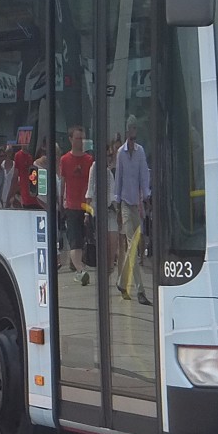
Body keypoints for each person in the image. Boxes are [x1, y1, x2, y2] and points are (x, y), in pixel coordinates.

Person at [113, 115, 152, 305]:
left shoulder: (140, 152)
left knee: (135, 244)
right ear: (127, 131)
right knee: (133, 245)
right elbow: (118, 179)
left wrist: (147, 196)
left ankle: (122, 281)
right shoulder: (121, 153)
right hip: (126, 204)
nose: (133, 133)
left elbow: (144, 175)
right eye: (131, 129)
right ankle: (141, 290)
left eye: (135, 129)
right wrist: (118, 205)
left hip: (138, 204)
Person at [59, 125, 94, 286]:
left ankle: (79, 266)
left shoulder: (89, 160)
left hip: (86, 205)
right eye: (77, 138)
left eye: (82, 138)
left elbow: (92, 184)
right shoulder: (65, 160)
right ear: (70, 139)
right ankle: (80, 269)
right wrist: (61, 202)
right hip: (72, 206)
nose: (80, 141)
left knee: (86, 238)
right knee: (75, 240)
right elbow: (63, 183)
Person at [86, 137, 122, 272]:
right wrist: (87, 212)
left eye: (110, 155)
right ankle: (106, 266)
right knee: (103, 240)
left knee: (113, 238)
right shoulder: (95, 167)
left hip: (111, 210)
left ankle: (110, 265)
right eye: (107, 155)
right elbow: (90, 190)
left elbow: (113, 193)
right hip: (98, 211)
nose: (108, 158)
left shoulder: (109, 171)